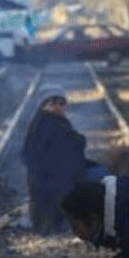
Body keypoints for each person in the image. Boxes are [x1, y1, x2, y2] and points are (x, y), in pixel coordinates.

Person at [22, 84, 108, 235]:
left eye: (61, 103)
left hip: (54, 178)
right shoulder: (51, 124)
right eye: (53, 103)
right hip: (55, 182)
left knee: (99, 172)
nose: (58, 107)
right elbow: (70, 148)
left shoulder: (47, 121)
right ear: (44, 105)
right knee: (100, 176)